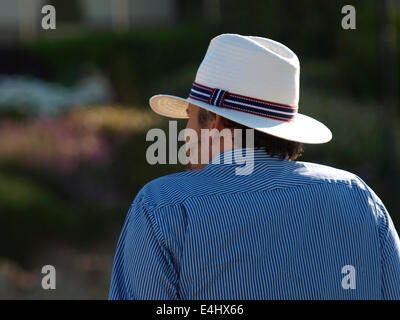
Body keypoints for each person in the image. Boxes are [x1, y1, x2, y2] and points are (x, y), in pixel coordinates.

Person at [108, 34, 400, 299]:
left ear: (215, 122)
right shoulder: (357, 196)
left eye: (192, 115)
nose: (185, 132)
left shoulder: (162, 206)